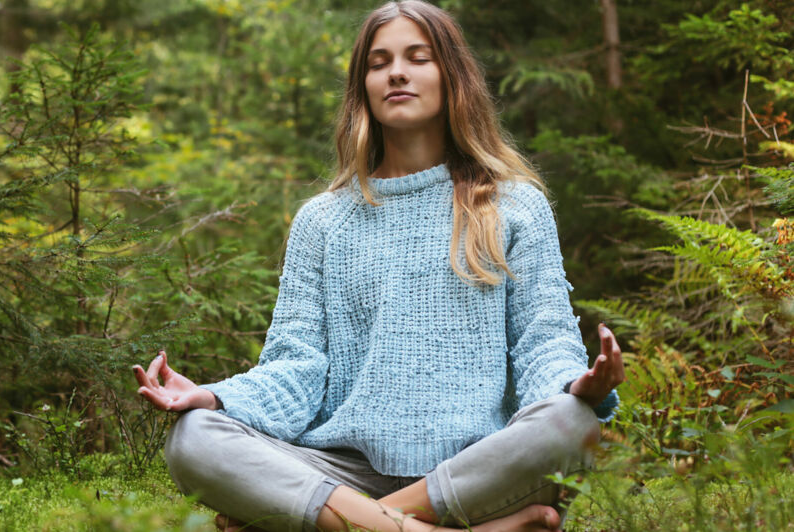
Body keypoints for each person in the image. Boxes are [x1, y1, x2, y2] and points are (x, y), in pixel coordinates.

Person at [132, 2, 624, 531]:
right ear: (362, 85)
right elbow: (296, 367)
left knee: (570, 422)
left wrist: (579, 386)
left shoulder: (513, 206)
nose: (396, 72)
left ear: (451, 77)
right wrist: (213, 396)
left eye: (418, 57)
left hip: (475, 465)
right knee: (194, 437)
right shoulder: (323, 220)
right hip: (343, 469)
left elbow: (543, 342)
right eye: (378, 61)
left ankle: (347, 524)